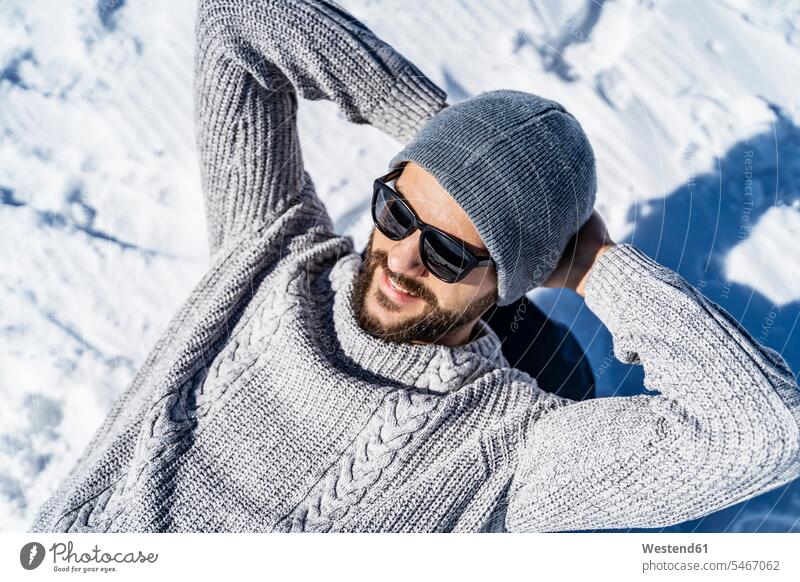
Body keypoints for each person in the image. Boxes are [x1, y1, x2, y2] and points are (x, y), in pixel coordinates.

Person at [30, 0, 799, 533]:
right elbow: (241, 20)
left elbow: (767, 431)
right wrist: (441, 134)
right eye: (397, 211)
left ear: (507, 283)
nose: (399, 256)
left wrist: (597, 265)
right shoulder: (272, 253)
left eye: (449, 250)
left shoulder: (506, 452)